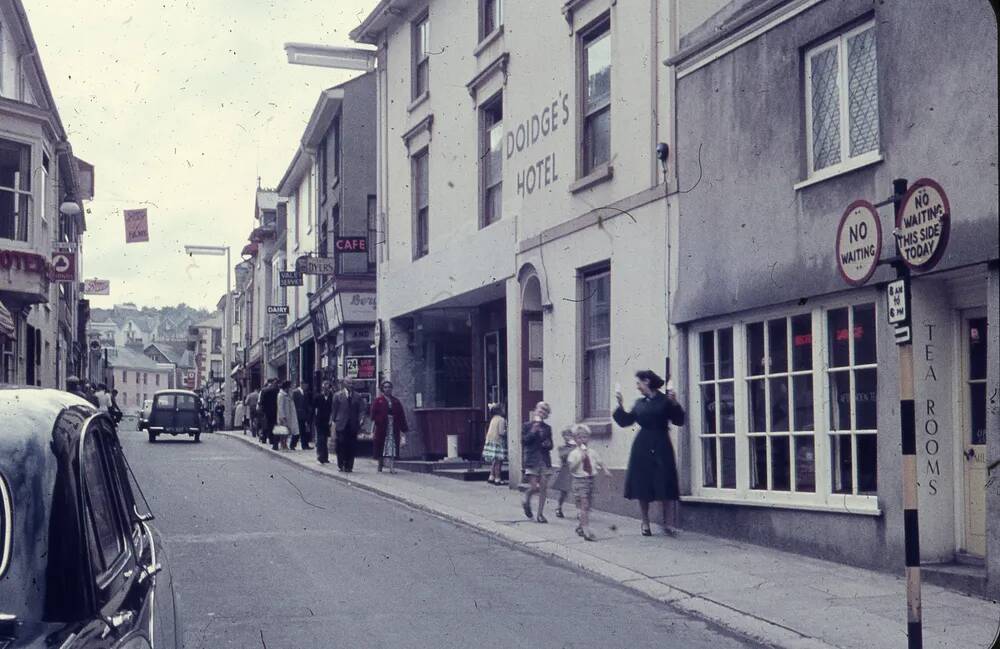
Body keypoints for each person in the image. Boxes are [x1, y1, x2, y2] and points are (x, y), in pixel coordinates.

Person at [614, 369, 686, 537]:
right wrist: (620, 405)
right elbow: (626, 421)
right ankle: (645, 523)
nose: (637, 387)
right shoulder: (639, 403)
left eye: (638, 383)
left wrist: (675, 404)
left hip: (661, 443)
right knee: (642, 484)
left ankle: (667, 523)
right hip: (642, 445)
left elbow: (679, 420)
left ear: (647, 381)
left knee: (664, 482)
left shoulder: (665, 400)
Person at [567, 423, 612, 541]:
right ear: (575, 440)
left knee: (587, 506)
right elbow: (571, 468)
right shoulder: (574, 454)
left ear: (589, 438)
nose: (583, 440)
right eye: (579, 438)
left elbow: (600, 462)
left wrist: (606, 471)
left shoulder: (592, 452)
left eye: (585, 437)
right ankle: (586, 531)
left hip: (590, 481)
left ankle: (581, 527)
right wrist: (580, 460)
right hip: (579, 481)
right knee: (584, 505)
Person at [520, 401, 553, 523]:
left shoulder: (547, 428)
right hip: (532, 460)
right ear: (535, 410)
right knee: (534, 487)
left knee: (543, 488)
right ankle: (526, 499)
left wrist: (548, 444)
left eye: (545, 411)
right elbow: (524, 441)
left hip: (544, 460)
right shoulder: (527, 425)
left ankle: (540, 514)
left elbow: (550, 445)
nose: (542, 412)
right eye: (541, 409)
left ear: (546, 415)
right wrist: (533, 431)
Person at [370, 379, 408, 474]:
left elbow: (401, 415)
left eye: (389, 387)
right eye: (385, 387)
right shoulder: (378, 400)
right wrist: (375, 426)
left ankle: (391, 467)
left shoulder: (395, 401)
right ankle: (380, 465)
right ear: (382, 389)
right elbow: (373, 415)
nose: (387, 389)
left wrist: (403, 430)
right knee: (381, 446)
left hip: (393, 426)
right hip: (382, 427)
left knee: (392, 446)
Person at [331, 379, 365, 472]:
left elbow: (362, 409)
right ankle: (341, 463)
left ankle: (349, 466)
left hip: (353, 424)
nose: (351, 385)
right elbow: (334, 410)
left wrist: (361, 419)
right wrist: (333, 423)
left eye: (352, 383)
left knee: (352, 445)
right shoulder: (337, 396)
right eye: (349, 383)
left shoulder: (358, 396)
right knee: (341, 444)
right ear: (344, 384)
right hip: (341, 423)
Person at [549, 427, 576, 518]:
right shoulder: (562, 448)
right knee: (563, 492)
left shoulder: (578, 446)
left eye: (570, 435)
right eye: (566, 436)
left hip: (576, 470)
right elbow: (564, 456)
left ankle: (580, 511)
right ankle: (559, 508)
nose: (568, 437)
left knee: (578, 492)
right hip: (566, 471)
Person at [481, 403, 508, 485]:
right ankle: (498, 478)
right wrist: (508, 430)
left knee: (494, 461)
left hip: (490, 442)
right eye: (503, 409)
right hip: (498, 443)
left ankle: (491, 476)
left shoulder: (493, 419)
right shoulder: (501, 420)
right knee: (499, 462)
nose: (505, 410)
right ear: (500, 411)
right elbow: (501, 432)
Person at [313, 380, 334, 464]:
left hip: (327, 421)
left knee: (325, 439)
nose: (326, 390)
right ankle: (321, 455)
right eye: (324, 388)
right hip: (319, 421)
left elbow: (333, 409)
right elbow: (314, 408)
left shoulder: (332, 397)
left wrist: (331, 419)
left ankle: (325, 457)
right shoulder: (318, 397)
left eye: (327, 388)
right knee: (321, 439)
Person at [275, 380, 298, 451]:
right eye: (290, 387)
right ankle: (283, 445)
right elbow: (280, 407)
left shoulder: (287, 395)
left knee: (286, 432)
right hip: (283, 417)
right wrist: (283, 417)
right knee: (283, 432)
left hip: (288, 416)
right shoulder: (281, 395)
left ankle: (284, 445)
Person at [259, 378, 280, 448]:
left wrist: (263, 410)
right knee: (274, 425)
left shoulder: (264, 390)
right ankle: (273, 439)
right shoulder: (278, 391)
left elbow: (261, 402)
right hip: (276, 410)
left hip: (267, 411)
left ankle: (266, 438)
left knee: (267, 425)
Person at [291, 383, 312, 450]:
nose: (307, 387)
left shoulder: (305, 393)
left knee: (304, 431)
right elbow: (293, 403)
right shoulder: (295, 392)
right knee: (298, 430)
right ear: (302, 385)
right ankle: (292, 444)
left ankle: (305, 445)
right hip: (298, 414)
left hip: (304, 415)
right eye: (306, 386)